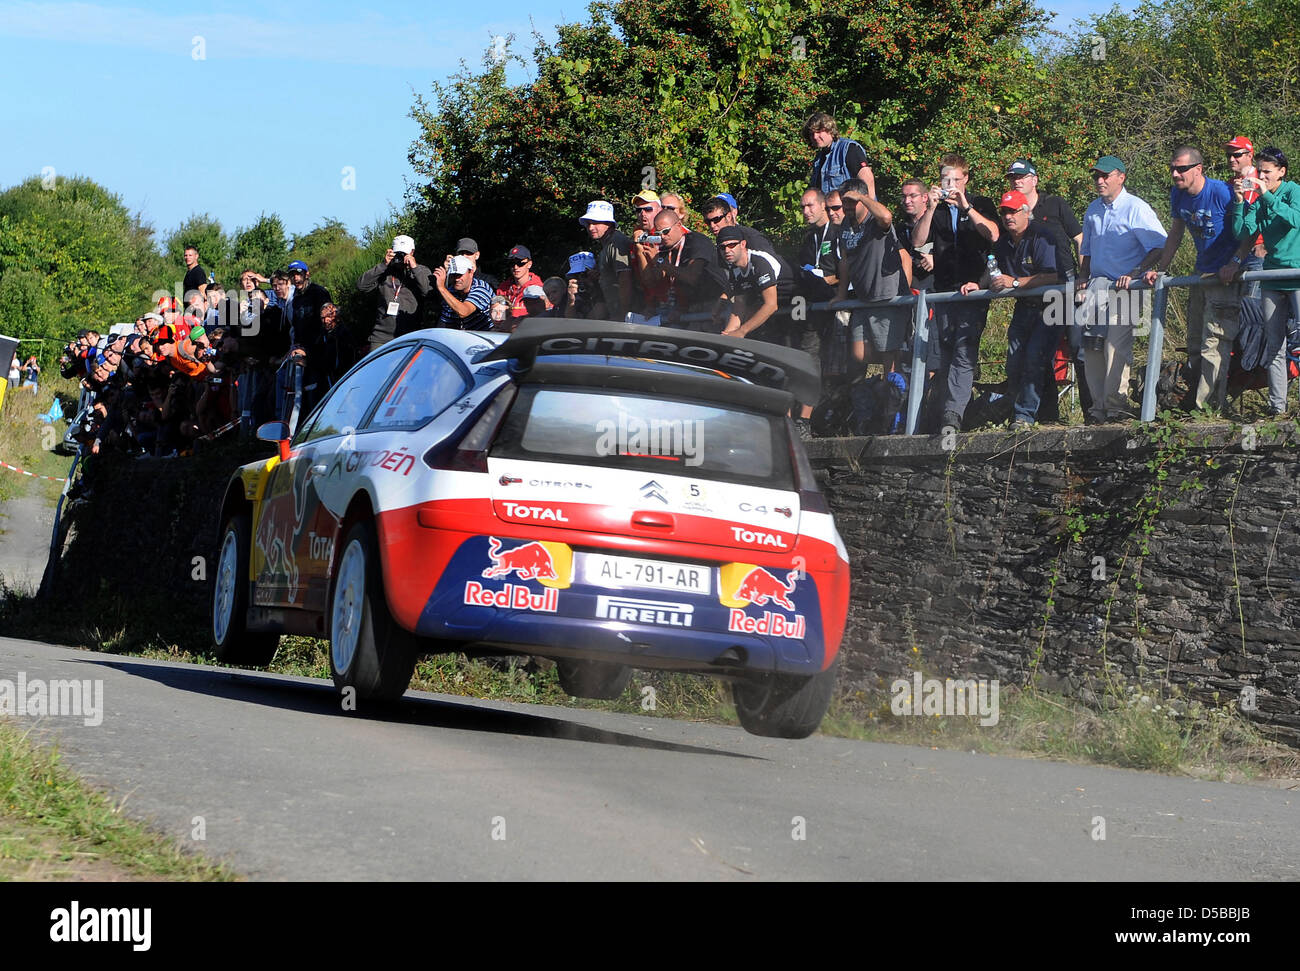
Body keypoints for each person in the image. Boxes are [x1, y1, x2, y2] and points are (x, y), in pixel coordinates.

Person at [1141, 147, 1251, 411]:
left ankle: (1209, 408)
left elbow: (1248, 229)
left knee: (1215, 342)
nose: (1175, 174)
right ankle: (1189, 401)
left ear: (1198, 169)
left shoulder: (1220, 192)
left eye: (1182, 169)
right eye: (1172, 169)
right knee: (1194, 343)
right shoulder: (1178, 195)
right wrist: (1162, 269)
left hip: (1225, 277)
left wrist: (1234, 263)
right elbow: (1176, 234)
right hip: (1200, 275)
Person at [910, 153, 1001, 433]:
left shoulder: (981, 203)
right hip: (944, 289)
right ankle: (955, 411)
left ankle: (952, 415)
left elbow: (994, 235)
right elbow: (917, 240)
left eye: (955, 180)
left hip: (974, 287)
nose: (950, 184)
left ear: (966, 180)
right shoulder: (935, 210)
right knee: (946, 353)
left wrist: (967, 207)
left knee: (964, 349)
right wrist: (929, 207)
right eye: (944, 179)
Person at [1078, 155, 1168, 423]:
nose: (1100, 180)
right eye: (1097, 176)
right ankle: (1097, 410)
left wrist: (1136, 271)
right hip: (1096, 286)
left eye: (1106, 175)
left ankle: (1117, 407)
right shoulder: (1092, 209)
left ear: (1121, 177)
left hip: (1126, 288)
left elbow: (1160, 244)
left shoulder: (1135, 207)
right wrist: (1083, 277)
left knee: (1116, 347)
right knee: (1091, 347)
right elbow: (1086, 251)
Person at [962, 190, 1063, 426]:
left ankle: (1023, 416)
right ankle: (1046, 415)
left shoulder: (1041, 236)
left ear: (1026, 212)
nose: (1008, 217)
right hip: (1024, 307)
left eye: (1013, 211)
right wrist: (978, 284)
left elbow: (1052, 276)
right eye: (1005, 212)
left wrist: (1015, 283)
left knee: (1034, 359)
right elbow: (993, 267)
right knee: (1016, 362)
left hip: (1052, 305)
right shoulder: (1004, 241)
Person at [1231, 146, 1300, 415]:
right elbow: (1242, 232)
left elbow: (1295, 219)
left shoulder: (1293, 191)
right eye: (1259, 171)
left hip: (1296, 275)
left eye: (1267, 172)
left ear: (1281, 172)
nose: (1261, 176)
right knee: (1274, 345)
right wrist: (1239, 202)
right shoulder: (1259, 200)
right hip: (1272, 277)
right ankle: (1277, 407)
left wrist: (1267, 195)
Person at [829, 179, 909, 376]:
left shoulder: (875, 220)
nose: (846, 207)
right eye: (844, 202)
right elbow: (845, 261)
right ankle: (899, 361)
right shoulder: (846, 225)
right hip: (863, 298)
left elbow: (887, 217)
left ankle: (893, 395)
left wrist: (863, 198)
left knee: (888, 356)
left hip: (885, 295)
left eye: (850, 202)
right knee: (859, 353)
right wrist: (841, 295)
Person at [641, 209, 727, 327]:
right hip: (691, 307)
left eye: (666, 231)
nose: (662, 236)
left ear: (679, 225)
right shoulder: (665, 249)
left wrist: (660, 262)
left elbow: (691, 277)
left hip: (715, 304)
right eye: (658, 233)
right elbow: (657, 281)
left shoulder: (697, 241)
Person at [357, 234, 434, 351]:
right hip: (381, 338)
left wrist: (414, 268)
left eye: (403, 254)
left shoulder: (421, 270)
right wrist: (383, 265)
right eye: (397, 253)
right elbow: (362, 286)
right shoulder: (384, 271)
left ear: (412, 252)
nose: (400, 257)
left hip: (410, 337)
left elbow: (428, 292)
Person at [578, 201, 633, 321]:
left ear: (609, 223)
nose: (590, 227)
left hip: (625, 315)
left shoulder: (616, 242)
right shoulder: (607, 243)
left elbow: (625, 278)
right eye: (588, 223)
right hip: (615, 311)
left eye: (596, 222)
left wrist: (623, 315)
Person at [803, 111, 876, 200]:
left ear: (829, 129)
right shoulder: (818, 159)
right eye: (811, 134)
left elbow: (867, 179)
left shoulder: (848, 149)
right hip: (831, 211)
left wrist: (870, 207)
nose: (815, 137)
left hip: (850, 210)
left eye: (818, 131)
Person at [434, 255, 495, 330]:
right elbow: (444, 324)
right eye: (453, 275)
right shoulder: (451, 292)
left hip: (485, 336)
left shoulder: (481, 288)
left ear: (471, 272)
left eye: (460, 275)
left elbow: (463, 312)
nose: (456, 279)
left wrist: (441, 287)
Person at [496, 245, 544, 318]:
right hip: (504, 328)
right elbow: (497, 317)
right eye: (512, 263)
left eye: (520, 263)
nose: (515, 267)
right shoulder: (502, 288)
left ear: (529, 264)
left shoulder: (539, 289)